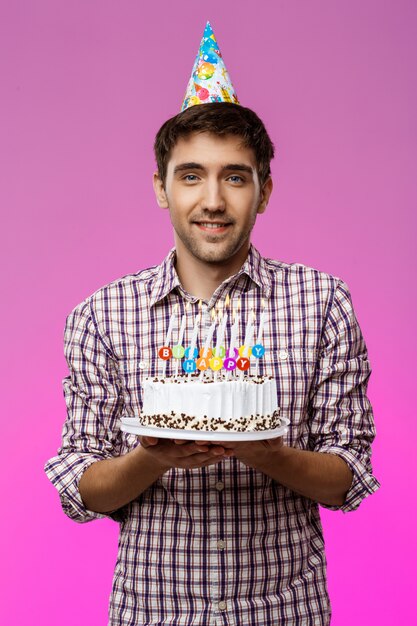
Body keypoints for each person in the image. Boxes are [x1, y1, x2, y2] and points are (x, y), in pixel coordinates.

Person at [45, 23, 379, 626]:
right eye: (191, 175)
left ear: (264, 190)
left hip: (286, 612)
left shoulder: (323, 303)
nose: (213, 201)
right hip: (154, 612)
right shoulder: (100, 316)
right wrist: (152, 456)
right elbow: (80, 488)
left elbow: (348, 478)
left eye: (235, 175)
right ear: (161, 188)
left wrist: (267, 452)